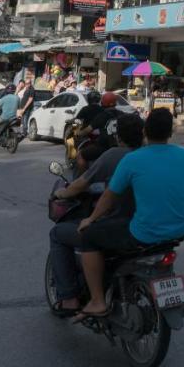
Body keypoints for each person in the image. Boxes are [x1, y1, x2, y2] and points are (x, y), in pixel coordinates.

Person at [74, 108, 184, 320]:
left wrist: (91, 219)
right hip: (178, 233)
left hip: (143, 234)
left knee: (89, 237)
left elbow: (109, 196)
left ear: (146, 131)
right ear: (170, 133)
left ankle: (97, 301)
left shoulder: (133, 159)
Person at [48, 113, 145, 314]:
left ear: (118, 136)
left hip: (121, 227)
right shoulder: (150, 155)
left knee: (60, 234)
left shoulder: (114, 155)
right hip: (150, 225)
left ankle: (70, 299)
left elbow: (81, 184)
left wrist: (61, 193)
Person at [66, 91, 104, 162]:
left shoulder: (85, 109)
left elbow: (77, 120)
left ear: (89, 99)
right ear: (99, 99)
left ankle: (72, 157)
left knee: (70, 138)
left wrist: (74, 130)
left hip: (86, 132)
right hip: (100, 133)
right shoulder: (103, 109)